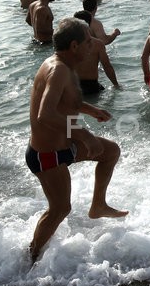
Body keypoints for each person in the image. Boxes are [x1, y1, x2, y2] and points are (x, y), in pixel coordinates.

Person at [26, 17, 127, 262]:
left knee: (110, 152)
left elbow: (67, 104)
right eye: (88, 40)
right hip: (47, 155)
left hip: (66, 146)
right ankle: (30, 257)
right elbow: (45, 114)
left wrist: (91, 110)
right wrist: (84, 134)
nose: (93, 44)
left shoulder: (65, 67)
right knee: (60, 209)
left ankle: (98, 205)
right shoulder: (58, 69)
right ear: (74, 46)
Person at [73, 10, 119, 96]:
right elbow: (107, 66)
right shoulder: (97, 44)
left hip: (73, 86)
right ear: (89, 24)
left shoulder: (68, 43)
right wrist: (116, 85)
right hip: (91, 86)